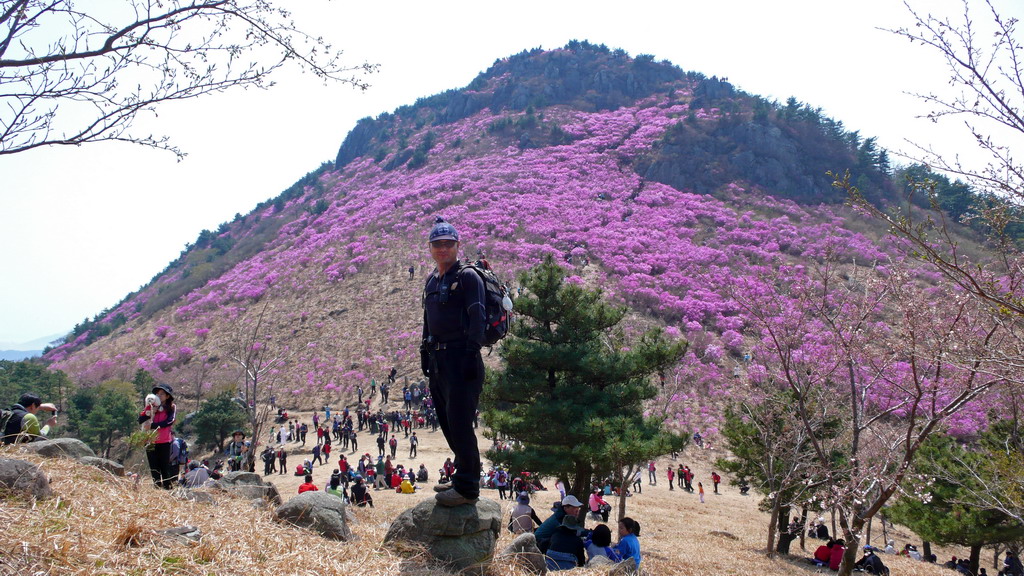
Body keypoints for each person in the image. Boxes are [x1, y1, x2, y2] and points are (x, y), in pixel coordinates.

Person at [420, 217, 487, 508]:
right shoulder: (433, 280)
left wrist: (472, 353)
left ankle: (468, 487)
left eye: (448, 244)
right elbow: (427, 320)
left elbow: (479, 317)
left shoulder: (469, 277)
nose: (443, 249)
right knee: (447, 423)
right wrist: (425, 351)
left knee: (460, 424)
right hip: (439, 360)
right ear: (431, 248)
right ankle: (461, 476)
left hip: (463, 360)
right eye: (438, 244)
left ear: (458, 246)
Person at [138, 384, 177, 488]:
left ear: (167, 396)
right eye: (157, 394)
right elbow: (140, 420)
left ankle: (168, 488)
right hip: (150, 441)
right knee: (154, 467)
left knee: (164, 466)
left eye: (162, 394)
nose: (159, 396)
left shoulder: (171, 407)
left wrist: (152, 425)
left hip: (164, 441)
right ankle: (157, 487)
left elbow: (169, 422)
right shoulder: (150, 407)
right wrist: (150, 412)